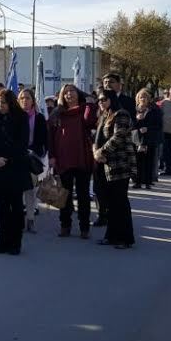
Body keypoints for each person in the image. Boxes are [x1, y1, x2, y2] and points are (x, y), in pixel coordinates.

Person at [47, 84, 98, 238]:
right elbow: (50, 137)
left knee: (83, 195)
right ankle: (65, 225)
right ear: (62, 96)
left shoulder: (85, 109)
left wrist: (89, 103)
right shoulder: (57, 113)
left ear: (78, 93)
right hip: (63, 158)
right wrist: (52, 156)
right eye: (66, 92)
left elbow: (90, 122)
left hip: (82, 157)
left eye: (72, 91)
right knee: (64, 195)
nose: (69, 94)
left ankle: (84, 227)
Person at [0, 89, 31, 255]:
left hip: (16, 167)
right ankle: (2, 240)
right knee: (3, 206)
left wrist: (8, 159)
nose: (0, 105)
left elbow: (22, 143)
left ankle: (15, 242)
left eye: (3, 102)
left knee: (16, 206)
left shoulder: (21, 117)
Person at [93, 90, 137, 249]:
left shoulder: (121, 114)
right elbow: (96, 137)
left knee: (120, 202)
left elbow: (118, 136)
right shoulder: (104, 115)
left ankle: (125, 238)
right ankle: (111, 236)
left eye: (104, 99)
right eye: (99, 100)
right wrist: (96, 152)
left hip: (120, 164)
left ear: (111, 99)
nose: (101, 102)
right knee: (110, 203)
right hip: (105, 165)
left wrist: (101, 152)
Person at [18, 89, 47, 233]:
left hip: (32, 158)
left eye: (27, 98)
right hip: (17, 157)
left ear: (33, 101)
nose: (25, 100)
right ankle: (17, 220)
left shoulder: (39, 117)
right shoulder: (14, 117)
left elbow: (44, 140)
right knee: (18, 190)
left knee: (31, 190)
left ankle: (30, 219)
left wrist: (37, 153)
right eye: (22, 98)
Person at [132, 89, 162, 190]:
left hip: (150, 139)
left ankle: (148, 182)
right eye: (141, 97)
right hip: (137, 140)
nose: (143, 99)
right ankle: (138, 182)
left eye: (145, 97)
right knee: (138, 162)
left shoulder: (155, 109)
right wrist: (137, 119)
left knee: (149, 161)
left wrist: (148, 128)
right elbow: (130, 125)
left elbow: (159, 125)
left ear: (148, 99)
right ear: (138, 99)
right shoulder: (134, 110)